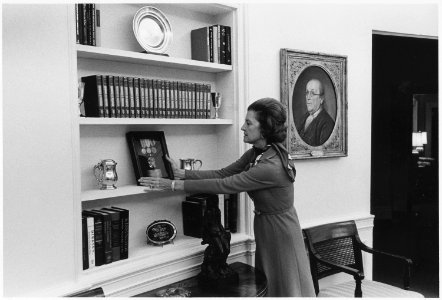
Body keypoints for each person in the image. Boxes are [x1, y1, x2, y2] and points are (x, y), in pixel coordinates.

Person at [139, 97, 316, 297]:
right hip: (267, 224)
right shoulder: (258, 153)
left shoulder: (270, 167)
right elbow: (224, 173)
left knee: (287, 282)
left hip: (280, 229)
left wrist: (174, 185)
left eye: (249, 123)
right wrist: (183, 174)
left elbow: (225, 185)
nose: (242, 127)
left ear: (265, 129)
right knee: (271, 281)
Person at [297, 79, 335, 146]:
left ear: (321, 98)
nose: (308, 97)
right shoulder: (303, 118)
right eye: (307, 93)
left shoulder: (327, 123)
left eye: (313, 93)